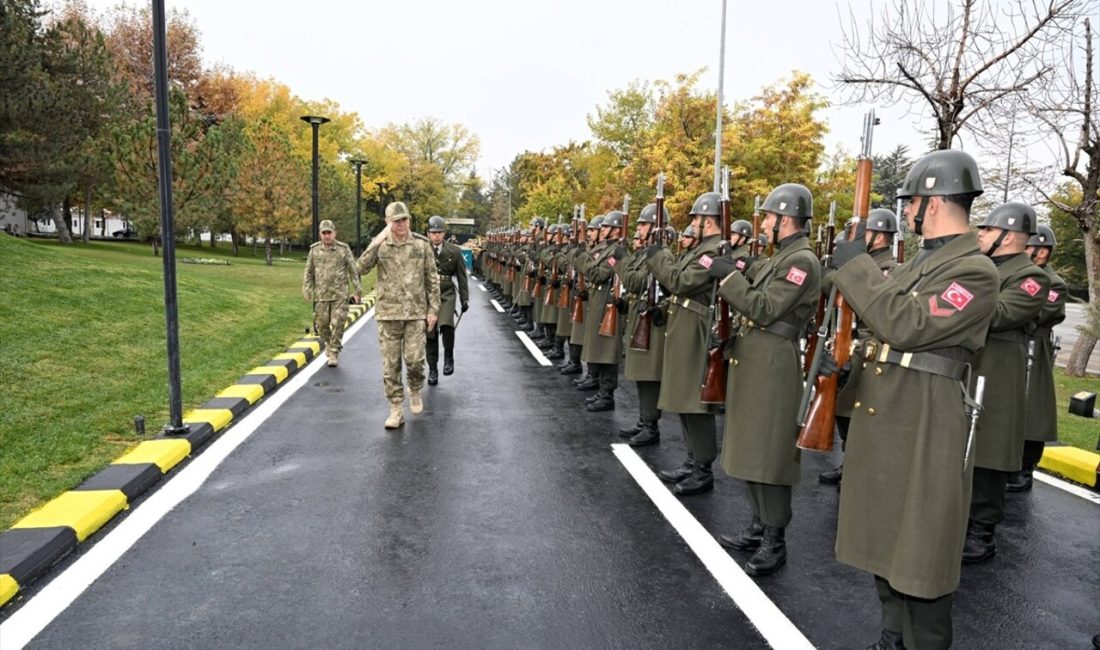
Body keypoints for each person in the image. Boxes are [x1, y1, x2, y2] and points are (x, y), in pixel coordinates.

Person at [824, 150, 998, 650]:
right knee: (885, 542)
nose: (904, 214)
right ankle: (892, 638)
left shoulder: (975, 272)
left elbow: (908, 324)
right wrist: (848, 362)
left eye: (910, 203)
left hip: (926, 423)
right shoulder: (919, 263)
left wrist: (856, 269)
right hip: (887, 415)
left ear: (934, 203)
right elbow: (881, 327)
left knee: (921, 561)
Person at [707, 183, 821, 577]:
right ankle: (758, 524)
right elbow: (755, 280)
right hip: (754, 357)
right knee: (753, 446)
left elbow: (766, 307)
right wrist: (736, 268)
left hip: (773, 361)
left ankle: (775, 539)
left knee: (770, 451)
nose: (764, 224)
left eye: (769, 217)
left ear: (785, 220)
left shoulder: (802, 261)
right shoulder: (781, 257)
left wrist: (729, 280)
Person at [963, 202, 1049, 564]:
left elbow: (999, 314)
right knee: (961, 451)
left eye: (986, 230)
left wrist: (958, 299)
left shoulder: (1032, 277)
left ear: (1009, 236)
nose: (979, 235)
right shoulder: (981, 266)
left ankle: (982, 531)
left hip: (997, 371)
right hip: (969, 365)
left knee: (989, 452)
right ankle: (959, 520)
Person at [643, 192, 726, 496]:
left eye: (696, 218)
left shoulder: (713, 251)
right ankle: (692, 459)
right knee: (683, 397)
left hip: (696, 328)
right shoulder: (702, 248)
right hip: (683, 323)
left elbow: (679, 281)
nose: (692, 223)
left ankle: (703, 467)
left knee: (695, 400)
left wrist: (658, 253)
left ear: (709, 220)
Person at [819, 209, 900, 486]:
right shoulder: (861, 264)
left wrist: (838, 272)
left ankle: (859, 469)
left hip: (869, 347)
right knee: (843, 410)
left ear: (878, 238)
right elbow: (829, 287)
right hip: (847, 342)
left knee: (860, 415)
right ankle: (848, 463)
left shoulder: (888, 269)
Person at [356, 202, 441, 429]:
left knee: (414, 360)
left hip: (415, 314)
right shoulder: (381, 246)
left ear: (409, 220)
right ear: (387, 223)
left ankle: (415, 388)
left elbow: (432, 279)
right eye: (396, 221)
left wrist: (433, 310)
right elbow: (360, 268)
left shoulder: (421, 246)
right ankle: (395, 409)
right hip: (388, 314)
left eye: (404, 220)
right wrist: (376, 241)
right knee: (390, 365)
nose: (401, 224)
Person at [1008, 224, 1068, 491]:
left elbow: (1041, 313)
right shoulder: (1019, 276)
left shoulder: (1054, 284)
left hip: (1036, 345)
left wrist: (1017, 309)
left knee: (1034, 409)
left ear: (1043, 252)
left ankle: (1026, 468)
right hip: (1016, 345)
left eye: (1030, 246)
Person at [619, 202, 670, 446]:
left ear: (655, 227)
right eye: (638, 223)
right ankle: (643, 420)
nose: (638, 228)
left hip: (653, 322)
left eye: (643, 224)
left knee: (649, 376)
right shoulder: (645, 255)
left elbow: (635, 282)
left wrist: (621, 262)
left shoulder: (661, 255)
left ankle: (651, 425)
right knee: (641, 374)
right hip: (641, 317)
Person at [579, 212, 626, 412]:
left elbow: (598, 274)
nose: (602, 230)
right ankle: (601, 390)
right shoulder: (607, 249)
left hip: (608, 304)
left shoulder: (616, 252)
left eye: (606, 227)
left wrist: (580, 256)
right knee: (599, 348)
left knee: (607, 351)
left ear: (616, 229)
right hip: (599, 301)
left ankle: (607, 394)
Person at [302, 219, 361, 367]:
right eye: (324, 233)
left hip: (340, 295)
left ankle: (334, 352)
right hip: (321, 295)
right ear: (321, 234)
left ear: (335, 233)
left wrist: (357, 290)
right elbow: (308, 272)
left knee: (338, 324)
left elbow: (353, 270)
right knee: (322, 325)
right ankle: (328, 342)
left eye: (329, 233)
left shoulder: (343, 249)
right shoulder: (314, 250)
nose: (327, 236)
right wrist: (307, 289)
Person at [425, 216, 469, 385]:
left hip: (446, 293)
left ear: (444, 233)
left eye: (439, 232)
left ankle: (449, 357)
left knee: (447, 325)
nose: (436, 236)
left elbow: (462, 277)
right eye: (433, 232)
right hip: (427, 294)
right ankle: (433, 369)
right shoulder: (422, 250)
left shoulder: (455, 251)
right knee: (430, 332)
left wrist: (465, 299)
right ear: (428, 234)